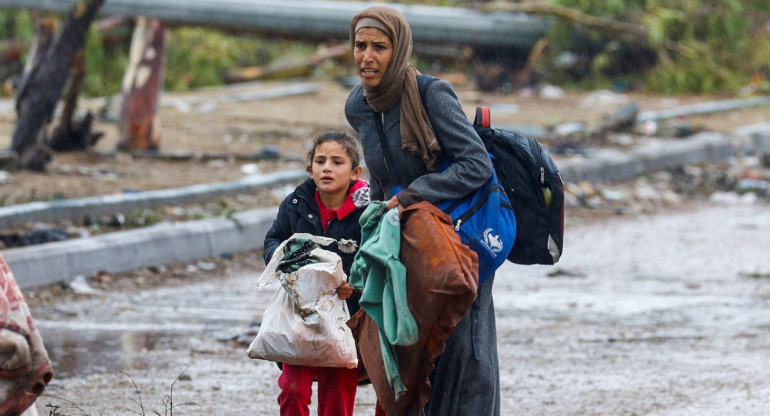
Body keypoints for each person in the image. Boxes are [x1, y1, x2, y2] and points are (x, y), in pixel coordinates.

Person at [344, 6, 501, 416]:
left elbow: (476, 164)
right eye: (361, 46)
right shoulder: (359, 106)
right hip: (405, 248)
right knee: (410, 353)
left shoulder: (432, 94)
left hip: (457, 241)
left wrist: (415, 193)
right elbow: (379, 180)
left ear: (399, 51)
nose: (367, 57)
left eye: (380, 47)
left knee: (464, 355)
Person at [262, 130, 369, 416]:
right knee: (292, 389)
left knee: (337, 398)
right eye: (320, 161)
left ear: (355, 171)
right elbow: (274, 239)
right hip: (300, 315)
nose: (327, 168)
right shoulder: (296, 205)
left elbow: (376, 258)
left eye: (337, 162)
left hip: (346, 321)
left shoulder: (368, 212)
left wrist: (354, 285)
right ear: (310, 169)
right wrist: (283, 260)